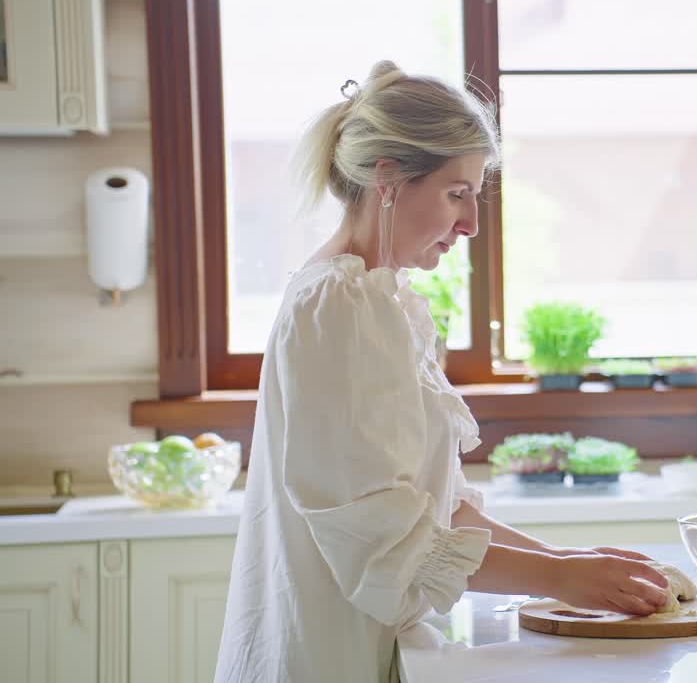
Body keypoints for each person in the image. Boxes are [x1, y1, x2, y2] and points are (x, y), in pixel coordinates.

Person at [214, 61, 670, 683]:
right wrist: (559, 577)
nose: (472, 224)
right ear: (389, 179)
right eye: (457, 194)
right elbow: (380, 537)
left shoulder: (377, 297)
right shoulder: (337, 307)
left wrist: (570, 561)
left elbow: (435, 511)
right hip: (328, 656)